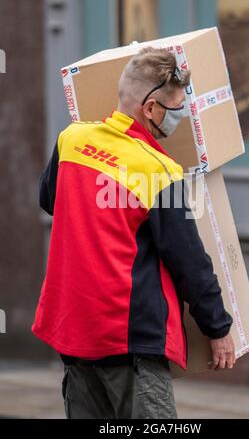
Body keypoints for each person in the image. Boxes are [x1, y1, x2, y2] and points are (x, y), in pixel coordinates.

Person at [32, 46, 235, 419]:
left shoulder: (72, 140)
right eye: (176, 109)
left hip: (74, 333)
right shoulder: (157, 169)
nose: (181, 116)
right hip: (129, 338)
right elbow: (189, 261)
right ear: (151, 108)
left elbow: (51, 201)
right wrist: (217, 328)